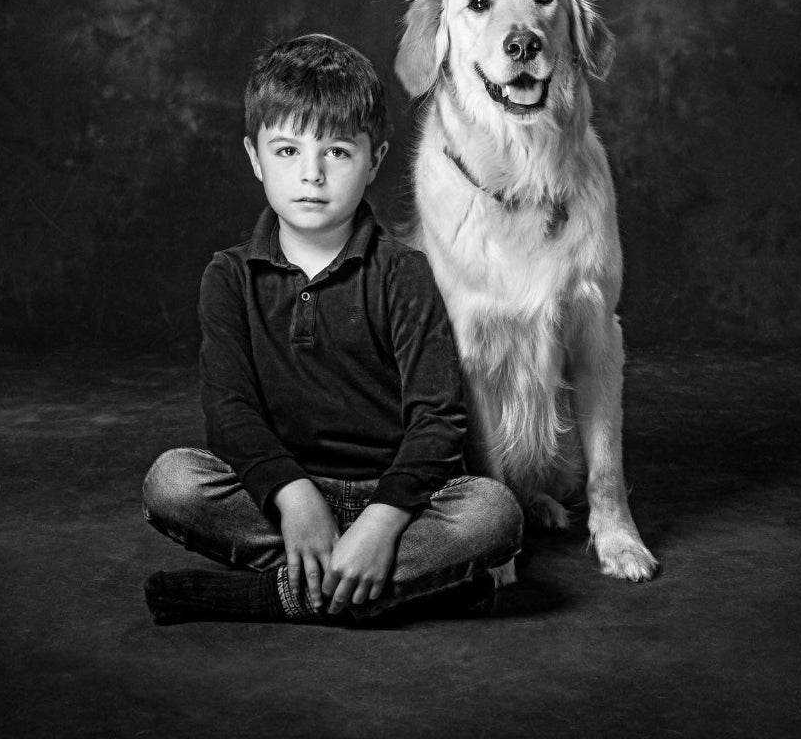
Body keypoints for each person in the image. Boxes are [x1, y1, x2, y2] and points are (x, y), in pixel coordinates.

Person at [141, 33, 525, 626]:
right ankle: (400, 586)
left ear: (374, 160)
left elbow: (438, 419)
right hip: (282, 500)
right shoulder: (229, 277)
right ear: (254, 158)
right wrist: (294, 498)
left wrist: (382, 519)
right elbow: (231, 413)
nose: (312, 175)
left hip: (401, 502)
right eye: (288, 151)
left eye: (338, 153)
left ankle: (281, 594)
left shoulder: (404, 272)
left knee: (493, 514)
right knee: (173, 482)